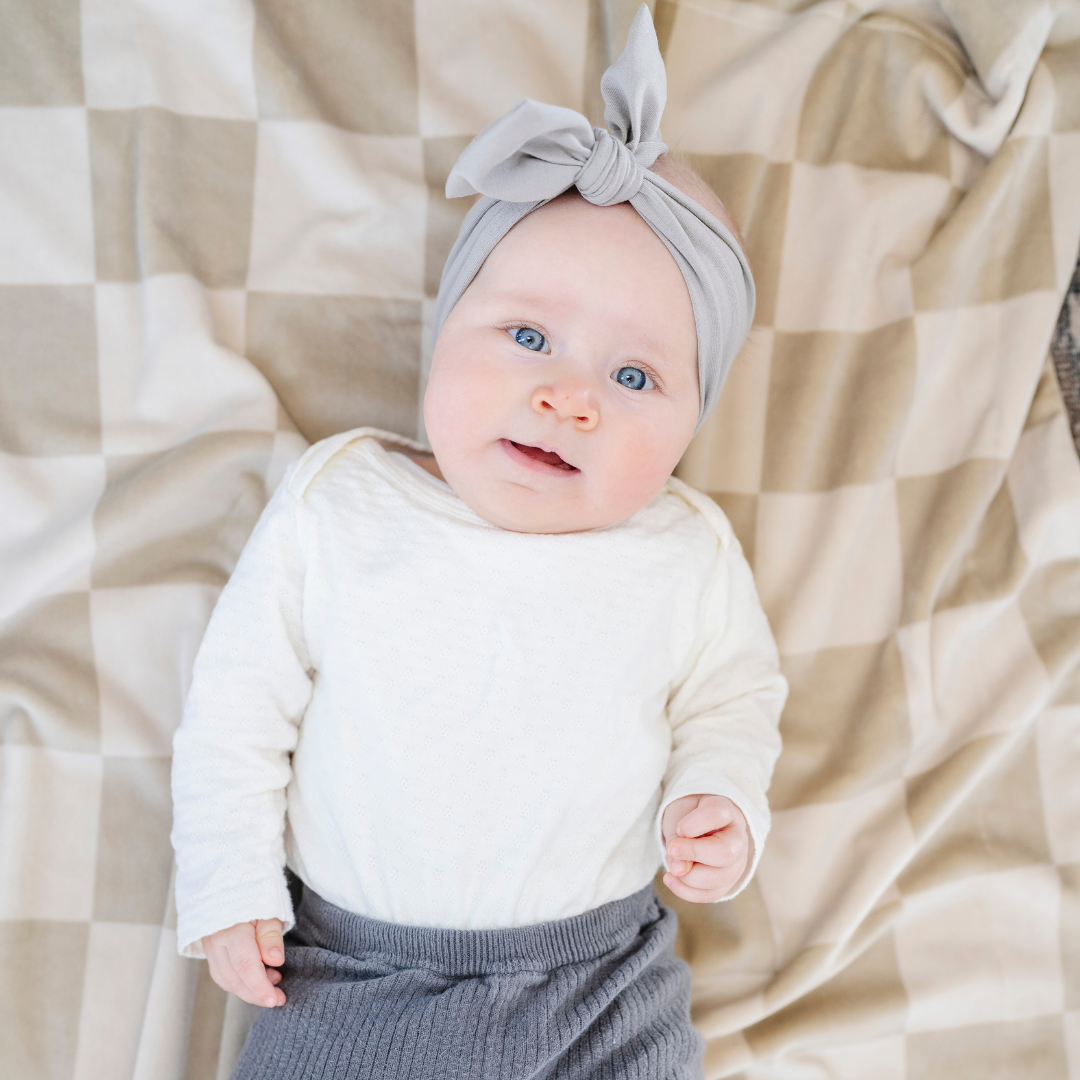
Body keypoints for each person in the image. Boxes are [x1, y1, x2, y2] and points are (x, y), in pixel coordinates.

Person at [170, 8, 787, 1078]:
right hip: (352, 979)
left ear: (694, 423)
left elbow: (735, 700)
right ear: (445, 331)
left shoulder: (683, 551)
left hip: (602, 982)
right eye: (529, 336)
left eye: (634, 377)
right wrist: (226, 888)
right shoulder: (344, 502)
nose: (567, 397)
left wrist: (721, 799)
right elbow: (235, 708)